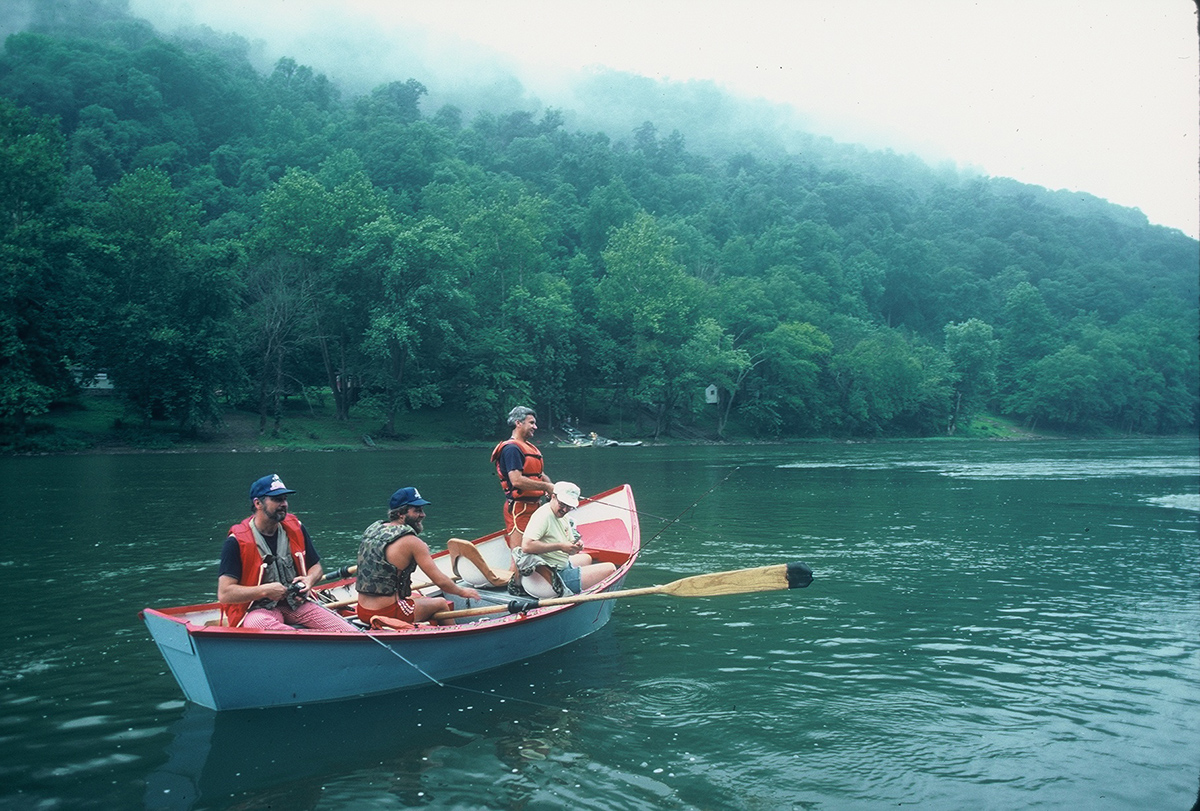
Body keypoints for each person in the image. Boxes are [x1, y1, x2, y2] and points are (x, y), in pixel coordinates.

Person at [218, 474, 354, 632]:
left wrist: (309, 581)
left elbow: (316, 568)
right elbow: (225, 593)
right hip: (256, 610)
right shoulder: (236, 542)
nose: (284, 504)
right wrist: (265, 590)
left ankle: (308, 643)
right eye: (277, 499)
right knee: (259, 624)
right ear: (258, 503)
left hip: (297, 605)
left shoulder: (296, 528)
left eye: (284, 499)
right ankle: (303, 642)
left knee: (349, 631)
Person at [355, 487, 481, 628]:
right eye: (417, 510)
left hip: (362, 610)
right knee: (440, 603)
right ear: (401, 514)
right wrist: (462, 591)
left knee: (418, 597)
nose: (423, 515)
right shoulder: (412, 541)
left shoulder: (374, 530)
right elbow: (441, 581)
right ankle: (456, 637)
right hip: (387, 611)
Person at [511, 481, 617, 599]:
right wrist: (561, 546)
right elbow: (526, 546)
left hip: (559, 565)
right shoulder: (543, 516)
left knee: (587, 558)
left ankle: (579, 586)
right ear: (553, 496)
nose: (565, 509)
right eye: (562, 504)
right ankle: (577, 595)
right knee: (610, 568)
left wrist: (575, 546)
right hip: (549, 578)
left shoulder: (562, 515)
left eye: (569, 506)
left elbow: (568, 542)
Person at [491, 405, 555, 549]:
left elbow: (540, 475)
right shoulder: (512, 449)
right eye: (531, 423)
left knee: (535, 552)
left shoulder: (529, 447)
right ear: (518, 423)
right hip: (519, 509)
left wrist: (553, 490)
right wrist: (546, 487)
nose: (535, 427)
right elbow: (516, 480)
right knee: (520, 555)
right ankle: (515, 572)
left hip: (534, 507)